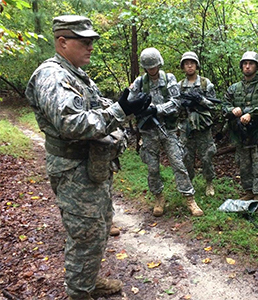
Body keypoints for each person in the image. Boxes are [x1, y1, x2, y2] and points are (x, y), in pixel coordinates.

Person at [25, 15, 150, 300]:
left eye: (92, 41)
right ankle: (79, 293)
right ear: (63, 41)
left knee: (99, 228)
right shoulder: (53, 75)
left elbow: (93, 105)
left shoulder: (74, 72)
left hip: (92, 167)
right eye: (85, 41)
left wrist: (121, 104)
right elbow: (72, 123)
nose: (91, 47)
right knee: (85, 234)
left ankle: (87, 282)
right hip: (74, 169)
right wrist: (120, 111)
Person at [128, 47, 204, 217]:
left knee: (178, 164)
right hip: (148, 131)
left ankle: (189, 198)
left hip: (168, 129)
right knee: (153, 168)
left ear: (159, 64)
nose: (152, 70)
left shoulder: (169, 79)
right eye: (149, 67)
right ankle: (158, 197)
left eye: (154, 66)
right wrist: (140, 107)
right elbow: (130, 103)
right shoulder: (140, 82)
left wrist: (156, 109)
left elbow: (177, 102)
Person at [223, 51, 258, 203]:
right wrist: (231, 110)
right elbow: (224, 105)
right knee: (244, 166)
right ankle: (248, 192)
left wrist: (252, 113)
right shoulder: (234, 88)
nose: (247, 67)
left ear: (256, 66)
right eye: (245, 64)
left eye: (251, 64)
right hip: (241, 135)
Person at [178, 51, 217, 197]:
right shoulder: (179, 85)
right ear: (183, 67)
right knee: (186, 157)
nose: (189, 66)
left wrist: (200, 100)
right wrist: (183, 104)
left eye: (192, 63)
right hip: (186, 127)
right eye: (186, 64)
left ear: (196, 65)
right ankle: (189, 183)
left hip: (202, 126)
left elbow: (214, 106)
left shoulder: (206, 84)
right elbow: (175, 105)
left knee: (206, 156)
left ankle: (209, 182)